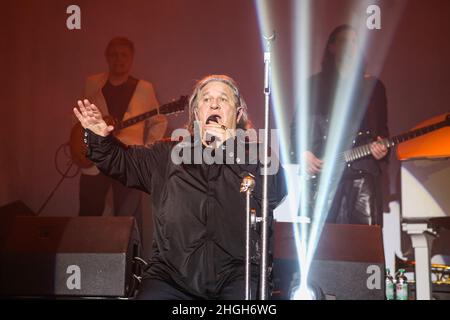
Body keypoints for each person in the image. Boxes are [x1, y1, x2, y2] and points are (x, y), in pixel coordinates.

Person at [73, 74, 287, 299]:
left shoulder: (255, 157)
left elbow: (276, 191)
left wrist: (231, 149)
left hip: (237, 275)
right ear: (196, 113)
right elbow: (121, 161)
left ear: (238, 113)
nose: (213, 103)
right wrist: (98, 137)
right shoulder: (167, 155)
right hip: (171, 277)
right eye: (205, 99)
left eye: (223, 99)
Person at [290, 25, 389, 226]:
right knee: (323, 242)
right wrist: (303, 153)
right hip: (324, 173)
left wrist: (382, 148)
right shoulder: (314, 85)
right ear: (332, 47)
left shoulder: (373, 86)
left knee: (365, 243)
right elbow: (296, 128)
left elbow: (382, 130)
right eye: (345, 41)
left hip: (362, 171)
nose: (351, 46)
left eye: (355, 42)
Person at [77, 37, 167, 238]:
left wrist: (145, 151)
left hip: (127, 161)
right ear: (107, 57)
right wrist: (81, 143)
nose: (119, 59)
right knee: (88, 216)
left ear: (131, 58)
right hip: (94, 162)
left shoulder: (144, 88)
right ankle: (83, 261)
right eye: (114, 55)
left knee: (126, 219)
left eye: (124, 55)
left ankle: (126, 266)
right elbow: (79, 118)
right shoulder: (93, 83)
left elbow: (158, 121)